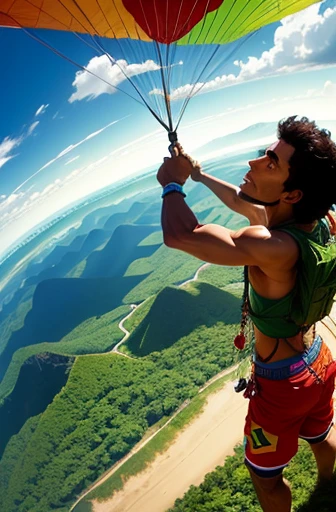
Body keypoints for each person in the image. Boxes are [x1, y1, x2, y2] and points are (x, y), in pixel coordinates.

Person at [157, 116, 336, 512]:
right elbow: (248, 207)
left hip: (282, 387)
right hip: (319, 359)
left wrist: (172, 184)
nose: (256, 162)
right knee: (320, 433)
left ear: (291, 194)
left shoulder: (270, 247)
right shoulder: (322, 222)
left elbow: (180, 235)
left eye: (271, 162)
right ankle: (329, 484)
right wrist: (200, 176)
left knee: (264, 478)